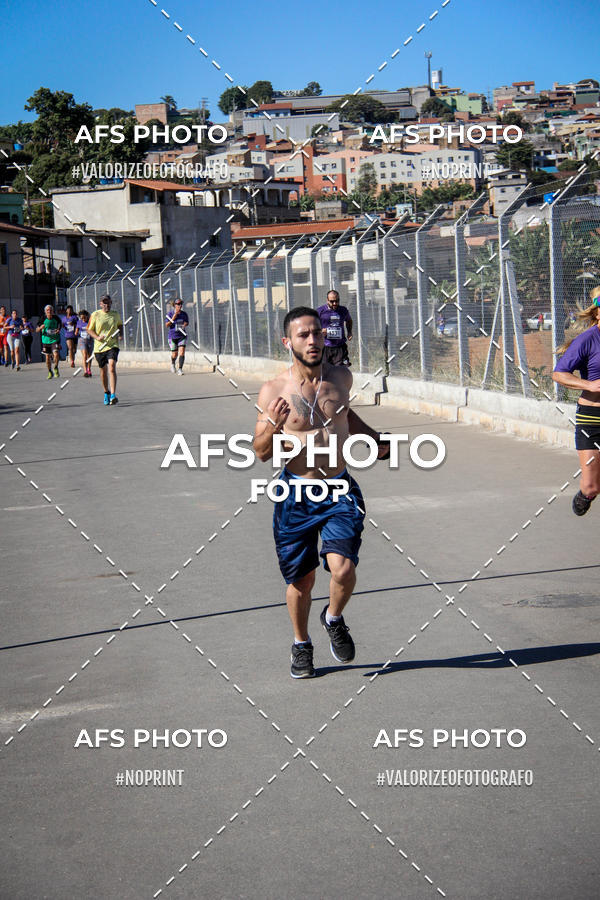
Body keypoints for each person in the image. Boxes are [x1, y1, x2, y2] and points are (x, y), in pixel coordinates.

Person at [253, 306, 388, 678]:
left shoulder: (341, 377)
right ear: (288, 342)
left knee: (343, 569)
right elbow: (261, 451)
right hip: (296, 493)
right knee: (303, 581)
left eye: (317, 332)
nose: (313, 340)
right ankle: (301, 644)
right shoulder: (273, 390)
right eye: (303, 335)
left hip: (339, 487)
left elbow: (345, 415)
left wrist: (374, 438)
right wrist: (272, 426)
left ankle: (333, 617)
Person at [553, 286, 600, 516]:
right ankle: (586, 494)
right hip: (592, 418)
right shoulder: (587, 340)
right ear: (597, 312)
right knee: (591, 486)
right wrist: (589, 385)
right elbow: (559, 374)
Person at [87, 295, 123, 405]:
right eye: (104, 302)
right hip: (100, 347)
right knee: (103, 371)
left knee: (111, 367)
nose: (106, 305)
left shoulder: (115, 314)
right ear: (100, 304)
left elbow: (120, 325)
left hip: (112, 345)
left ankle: (113, 395)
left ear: (111, 303)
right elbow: (89, 329)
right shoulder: (95, 314)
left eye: (108, 302)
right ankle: (106, 392)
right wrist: (97, 337)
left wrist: (120, 334)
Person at [316, 290, 353, 366]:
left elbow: (349, 320)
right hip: (325, 347)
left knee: (341, 370)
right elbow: (312, 325)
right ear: (327, 300)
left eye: (337, 301)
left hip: (340, 347)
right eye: (332, 301)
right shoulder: (320, 311)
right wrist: (320, 331)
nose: (335, 303)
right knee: (325, 370)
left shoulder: (343, 310)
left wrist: (349, 332)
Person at [36, 304, 62, 379]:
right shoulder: (42, 319)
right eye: (47, 310)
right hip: (45, 341)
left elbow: (60, 325)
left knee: (56, 354)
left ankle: (56, 367)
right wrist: (40, 327)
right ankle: (50, 371)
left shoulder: (56, 318)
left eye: (50, 310)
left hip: (55, 339)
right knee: (47, 357)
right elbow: (36, 330)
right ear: (45, 312)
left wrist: (58, 330)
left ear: (53, 311)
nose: (49, 311)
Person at [165, 298, 189, 375]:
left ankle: (180, 369)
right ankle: (173, 364)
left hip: (182, 335)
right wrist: (174, 316)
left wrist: (184, 325)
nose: (180, 305)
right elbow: (167, 325)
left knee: (182, 352)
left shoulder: (184, 314)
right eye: (178, 304)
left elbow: (186, 322)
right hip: (172, 336)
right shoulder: (170, 314)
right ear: (174, 305)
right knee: (174, 354)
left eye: (181, 304)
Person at [76, 310, 93, 377]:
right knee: (85, 355)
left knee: (89, 356)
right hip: (82, 340)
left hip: (90, 340)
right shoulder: (79, 322)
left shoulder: (90, 322)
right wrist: (76, 332)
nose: (83, 319)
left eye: (84, 318)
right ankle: (85, 371)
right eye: (81, 318)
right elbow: (77, 329)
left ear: (87, 316)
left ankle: (89, 369)